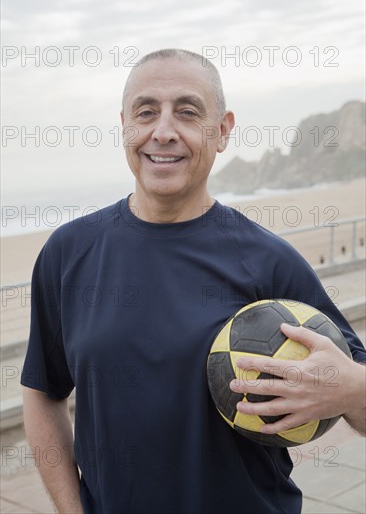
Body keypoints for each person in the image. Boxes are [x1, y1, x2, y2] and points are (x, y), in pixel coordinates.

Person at [21, 49, 366, 514]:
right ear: (124, 125)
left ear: (221, 131)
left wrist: (351, 388)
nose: (163, 131)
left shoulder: (269, 261)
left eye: (187, 111)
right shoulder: (68, 253)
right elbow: (43, 392)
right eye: (146, 112)